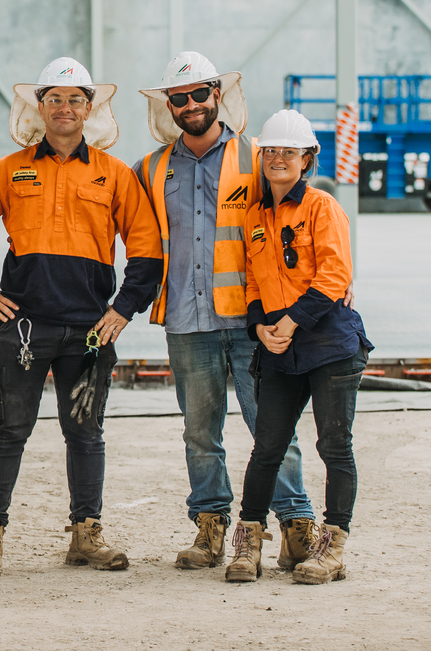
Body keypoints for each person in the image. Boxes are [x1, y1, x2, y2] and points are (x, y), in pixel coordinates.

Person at [0, 57, 163, 574]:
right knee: (7, 431)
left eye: (75, 100)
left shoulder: (114, 174)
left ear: (90, 108)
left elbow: (148, 248)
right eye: (55, 99)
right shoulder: (8, 170)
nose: (65, 108)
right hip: (22, 328)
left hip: (89, 333)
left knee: (85, 433)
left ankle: (86, 535)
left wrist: (123, 309)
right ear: (39, 108)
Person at [135, 52, 318, 572]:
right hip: (187, 321)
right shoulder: (150, 169)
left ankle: (296, 526)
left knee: (273, 429)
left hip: (253, 323)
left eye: (200, 93)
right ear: (168, 104)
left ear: (217, 94)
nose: (191, 104)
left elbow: (302, 217)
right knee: (200, 435)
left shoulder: (258, 157)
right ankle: (210, 527)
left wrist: (334, 282)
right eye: (179, 98)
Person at [226, 109, 372, 585]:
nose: (278, 159)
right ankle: (248, 543)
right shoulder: (255, 216)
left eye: (289, 152)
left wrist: (288, 322)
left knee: (334, 446)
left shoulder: (322, 207)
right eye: (270, 151)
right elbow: (253, 281)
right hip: (279, 348)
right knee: (267, 446)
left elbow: (335, 275)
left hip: (330, 344)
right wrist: (260, 328)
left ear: (307, 159)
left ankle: (331, 548)